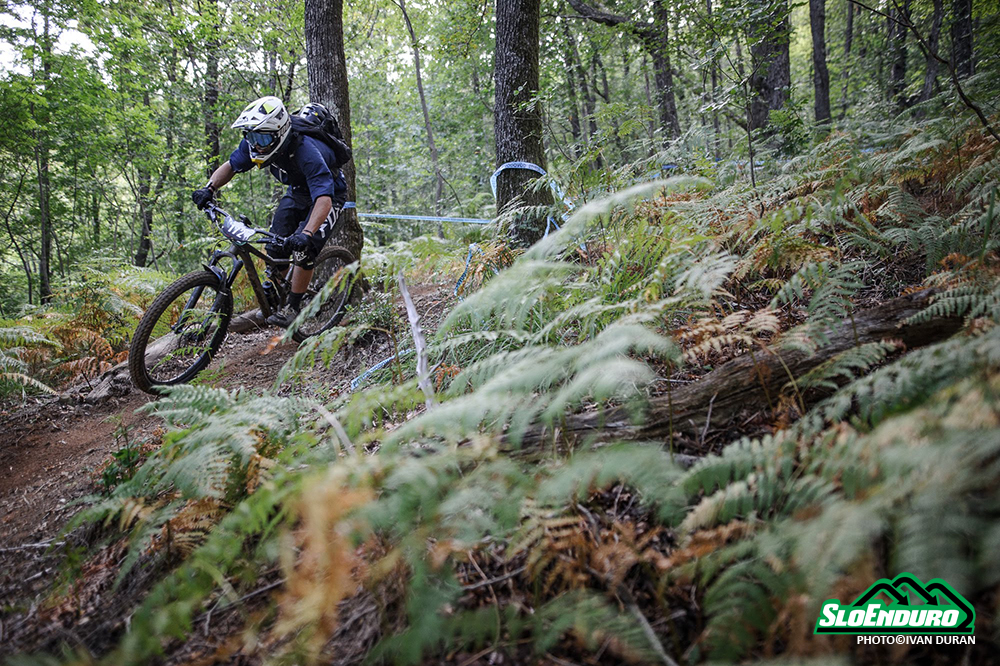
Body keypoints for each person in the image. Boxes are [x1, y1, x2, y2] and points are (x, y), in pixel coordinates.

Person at [191, 96, 348, 327]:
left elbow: (323, 199)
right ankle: (282, 291)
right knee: (275, 247)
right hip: (298, 191)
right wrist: (209, 189)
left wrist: (306, 234)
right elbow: (231, 166)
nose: (256, 144)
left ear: (279, 132)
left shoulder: (306, 150)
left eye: (262, 138)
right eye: (251, 137)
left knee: (305, 249)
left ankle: (293, 307)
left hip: (330, 195)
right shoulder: (257, 143)